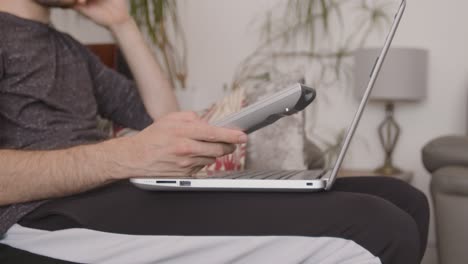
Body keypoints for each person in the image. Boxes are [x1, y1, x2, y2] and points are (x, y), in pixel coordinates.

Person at [0, 1, 429, 263]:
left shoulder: (70, 49)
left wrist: (122, 24)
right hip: (39, 215)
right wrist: (125, 157)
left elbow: (161, 117)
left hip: (112, 188)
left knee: (404, 198)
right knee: (380, 227)